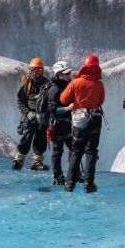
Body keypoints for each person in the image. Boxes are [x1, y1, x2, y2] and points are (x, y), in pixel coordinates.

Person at [60, 54, 105, 193]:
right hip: (95, 119)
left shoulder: (75, 82)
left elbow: (63, 99)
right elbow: (101, 102)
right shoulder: (99, 84)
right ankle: (88, 184)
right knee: (91, 152)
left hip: (79, 119)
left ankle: (69, 184)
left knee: (76, 151)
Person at [13, 57, 49, 171]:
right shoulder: (26, 84)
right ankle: (19, 160)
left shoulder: (47, 84)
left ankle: (37, 162)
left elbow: (51, 100)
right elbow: (20, 101)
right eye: (34, 71)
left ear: (42, 71)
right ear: (30, 71)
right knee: (27, 136)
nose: (37, 74)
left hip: (42, 116)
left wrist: (46, 113)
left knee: (41, 138)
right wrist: (27, 113)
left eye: (39, 71)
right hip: (30, 116)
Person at [47, 61, 75, 185]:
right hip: (57, 124)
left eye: (69, 72)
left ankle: (73, 173)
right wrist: (67, 109)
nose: (69, 75)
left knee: (74, 148)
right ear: (59, 74)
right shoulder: (54, 88)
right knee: (58, 151)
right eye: (66, 73)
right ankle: (57, 176)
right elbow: (52, 109)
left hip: (67, 124)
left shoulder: (67, 86)